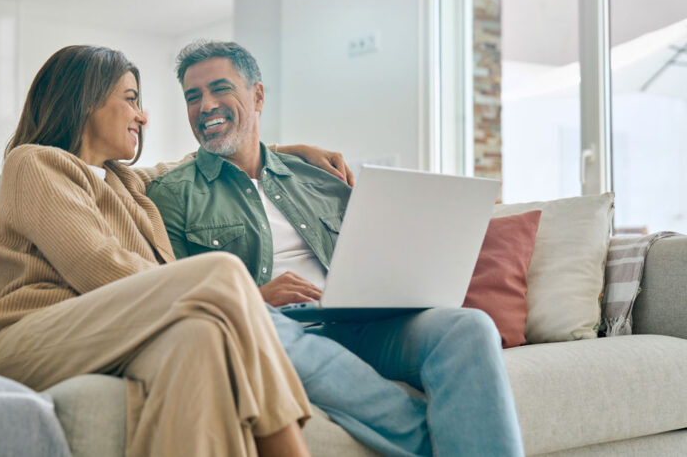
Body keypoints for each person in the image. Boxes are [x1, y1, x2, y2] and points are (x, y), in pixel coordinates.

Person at [0, 45, 354, 457]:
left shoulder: (125, 183)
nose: (143, 116)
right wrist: (236, 297)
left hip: (114, 333)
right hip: (29, 338)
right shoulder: (35, 164)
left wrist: (290, 152)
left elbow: (204, 159)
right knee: (222, 272)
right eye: (131, 100)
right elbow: (98, 266)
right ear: (85, 100)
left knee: (201, 336)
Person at [146, 40, 526, 457]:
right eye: (193, 96)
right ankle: (441, 440)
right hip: (274, 328)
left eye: (220, 89)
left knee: (468, 326)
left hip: (358, 323)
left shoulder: (319, 177)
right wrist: (254, 300)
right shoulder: (172, 194)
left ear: (257, 95)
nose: (206, 105)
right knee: (258, 328)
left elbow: (373, 251)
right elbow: (180, 298)